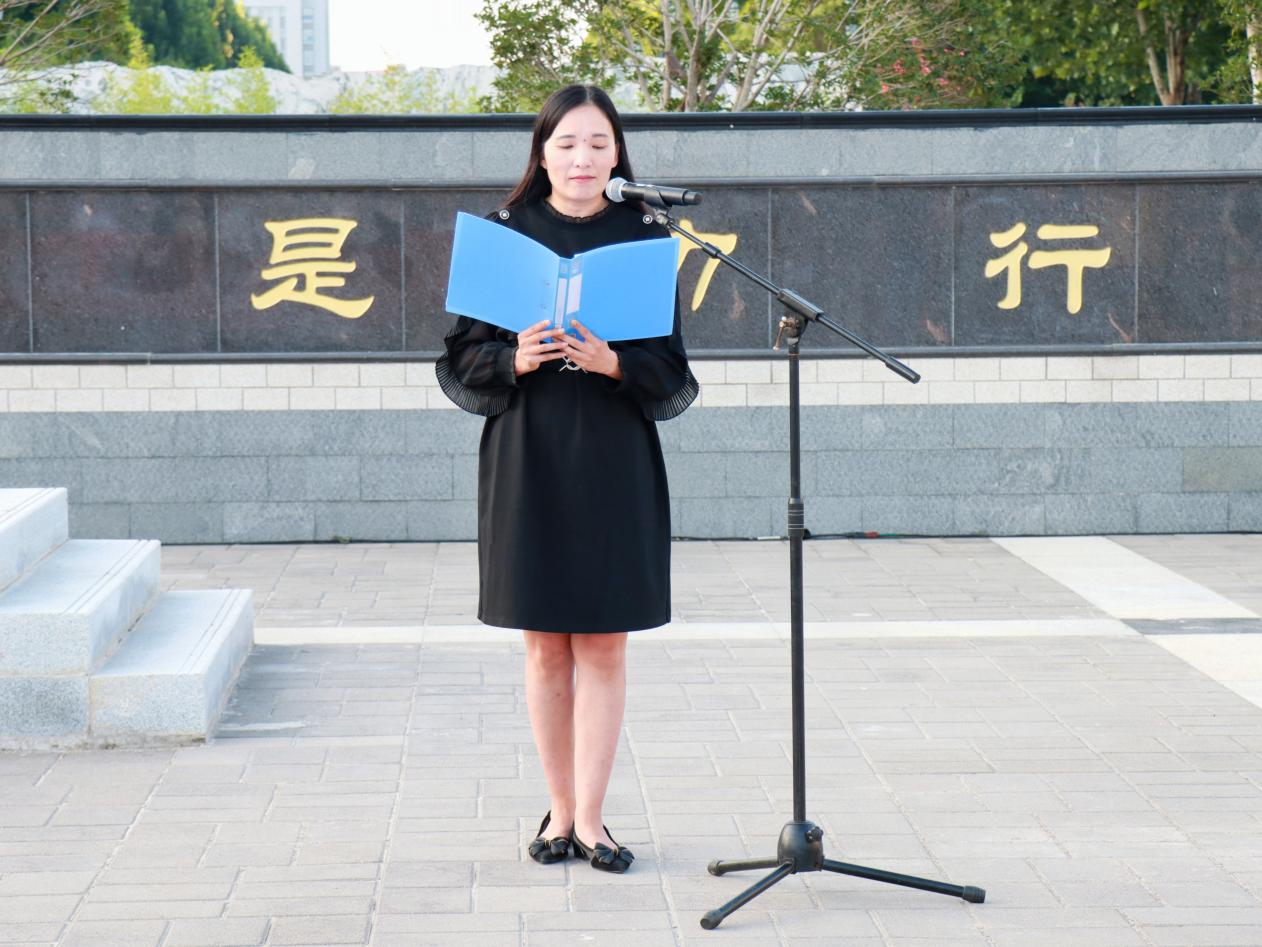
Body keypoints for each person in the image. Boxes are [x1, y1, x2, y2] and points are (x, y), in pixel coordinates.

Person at [437, 84, 698, 874]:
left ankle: (592, 818)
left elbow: (673, 372)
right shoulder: (502, 235)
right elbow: (459, 359)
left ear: (618, 154)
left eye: (597, 143)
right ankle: (558, 809)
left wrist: (613, 361)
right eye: (567, 143)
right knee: (546, 645)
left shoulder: (644, 238)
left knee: (604, 644)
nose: (582, 158)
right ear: (542, 153)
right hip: (531, 456)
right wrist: (513, 356)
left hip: (614, 460)